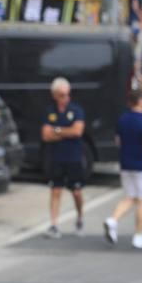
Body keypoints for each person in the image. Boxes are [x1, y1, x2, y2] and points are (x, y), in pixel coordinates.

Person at [104, 88, 142, 249]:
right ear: (141, 101)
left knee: (130, 197)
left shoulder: (122, 119)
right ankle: (139, 235)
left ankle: (113, 220)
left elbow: (118, 141)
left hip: (126, 164)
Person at [40, 77, 88, 238]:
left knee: (76, 192)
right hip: (56, 157)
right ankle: (54, 224)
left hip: (74, 157)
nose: (65, 98)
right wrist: (66, 131)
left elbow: (77, 131)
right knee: (55, 190)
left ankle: (80, 218)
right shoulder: (50, 111)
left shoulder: (76, 110)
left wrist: (57, 130)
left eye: (67, 94)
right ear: (54, 95)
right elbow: (46, 135)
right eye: (61, 95)